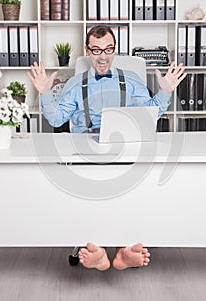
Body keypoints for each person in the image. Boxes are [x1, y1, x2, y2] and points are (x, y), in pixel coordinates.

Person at [27, 24, 186, 271]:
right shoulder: (75, 84)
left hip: (125, 147)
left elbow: (150, 114)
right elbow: (57, 119)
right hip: (85, 150)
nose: (103, 56)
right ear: (87, 51)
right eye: (97, 50)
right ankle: (100, 252)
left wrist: (165, 91)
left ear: (115, 50)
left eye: (109, 49)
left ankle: (121, 252)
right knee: (93, 186)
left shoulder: (131, 81)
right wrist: (45, 93)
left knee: (132, 185)